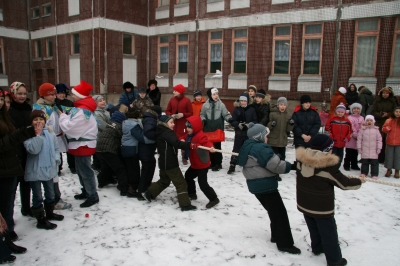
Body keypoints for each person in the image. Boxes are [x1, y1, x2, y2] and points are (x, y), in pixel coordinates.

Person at [295, 134, 365, 266]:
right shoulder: (328, 166)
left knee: (313, 226)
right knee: (329, 234)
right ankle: (335, 260)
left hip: (305, 203)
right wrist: (359, 181)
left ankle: (317, 248)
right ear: (327, 150)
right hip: (322, 208)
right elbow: (344, 183)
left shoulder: (301, 159)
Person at [238, 122, 301, 255]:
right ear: (259, 137)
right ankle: (285, 244)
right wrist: (293, 166)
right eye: (266, 135)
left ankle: (276, 235)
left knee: (274, 211)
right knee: (280, 214)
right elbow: (276, 166)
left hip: (255, 185)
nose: (267, 138)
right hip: (265, 184)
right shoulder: (261, 148)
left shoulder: (248, 145)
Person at [0, 87, 36, 260]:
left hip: (10, 167)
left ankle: (7, 240)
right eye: (1, 101)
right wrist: (19, 135)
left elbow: (12, 137)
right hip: (2, 168)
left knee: (7, 207)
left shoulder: (4, 117)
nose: (2, 104)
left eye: (3, 100)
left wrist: (28, 131)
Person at [142, 115, 198, 211]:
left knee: (164, 181)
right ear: (165, 123)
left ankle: (149, 193)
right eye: (171, 122)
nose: (173, 124)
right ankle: (185, 205)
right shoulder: (167, 132)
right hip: (170, 163)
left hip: (163, 162)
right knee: (181, 184)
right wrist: (190, 145)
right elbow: (177, 143)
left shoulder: (160, 131)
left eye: (173, 122)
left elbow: (173, 143)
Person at [58, 80, 100, 208]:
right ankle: (86, 191)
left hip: (82, 145)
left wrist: (62, 116)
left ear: (80, 96)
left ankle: (92, 195)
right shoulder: (82, 109)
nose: (72, 96)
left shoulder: (82, 111)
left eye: (74, 94)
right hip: (80, 144)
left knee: (85, 171)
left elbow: (70, 127)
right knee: (81, 170)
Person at [24, 110, 64, 230]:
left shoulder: (50, 133)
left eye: (41, 119)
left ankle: (50, 213)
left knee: (50, 194)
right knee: (38, 196)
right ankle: (40, 219)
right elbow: (33, 150)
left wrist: (57, 159)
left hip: (49, 169)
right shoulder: (28, 133)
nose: (39, 122)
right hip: (36, 170)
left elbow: (56, 149)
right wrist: (37, 135)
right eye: (35, 120)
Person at [33, 83, 71, 210]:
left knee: (54, 171)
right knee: (51, 173)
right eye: (52, 94)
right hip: (46, 145)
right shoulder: (40, 109)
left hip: (55, 141)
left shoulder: (52, 106)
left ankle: (55, 197)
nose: (55, 96)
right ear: (45, 95)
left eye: (55, 93)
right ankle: (54, 199)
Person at [7, 82, 33, 221]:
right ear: (13, 94)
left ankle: (26, 207)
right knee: (12, 187)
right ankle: (9, 219)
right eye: (19, 93)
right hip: (15, 151)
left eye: (24, 93)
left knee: (26, 181)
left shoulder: (29, 108)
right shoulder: (9, 110)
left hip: (28, 150)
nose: (22, 96)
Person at [181, 116, 219, 209]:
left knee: (202, 183)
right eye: (187, 127)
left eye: (189, 127)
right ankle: (192, 193)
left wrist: (211, 148)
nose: (187, 129)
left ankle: (214, 198)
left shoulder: (201, 136)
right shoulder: (189, 135)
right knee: (188, 176)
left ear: (196, 127)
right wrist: (181, 140)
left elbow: (207, 142)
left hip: (202, 164)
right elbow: (182, 137)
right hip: (194, 164)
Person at [96, 103, 129, 195]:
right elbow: (122, 138)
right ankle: (123, 188)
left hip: (99, 148)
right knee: (120, 169)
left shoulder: (109, 124)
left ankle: (102, 182)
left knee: (106, 167)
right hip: (109, 150)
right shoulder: (119, 127)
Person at [130, 106, 161, 200]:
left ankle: (145, 187)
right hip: (146, 150)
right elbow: (149, 133)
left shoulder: (148, 118)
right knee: (146, 170)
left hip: (147, 149)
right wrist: (159, 134)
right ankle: (142, 191)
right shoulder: (150, 120)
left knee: (150, 167)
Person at [200, 87, 232, 171]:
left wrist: (229, 119)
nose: (216, 96)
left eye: (217, 94)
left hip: (217, 129)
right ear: (210, 95)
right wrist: (203, 120)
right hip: (208, 129)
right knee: (209, 147)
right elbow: (202, 114)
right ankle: (212, 163)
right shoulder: (205, 105)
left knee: (217, 147)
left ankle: (218, 163)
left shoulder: (221, 105)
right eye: (214, 94)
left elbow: (226, 114)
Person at [228, 93, 257, 174]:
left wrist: (249, 125)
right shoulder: (237, 109)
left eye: (244, 101)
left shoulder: (252, 109)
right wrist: (237, 124)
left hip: (248, 133)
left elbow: (255, 120)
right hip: (239, 133)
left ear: (247, 101)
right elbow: (232, 120)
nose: (243, 102)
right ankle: (232, 164)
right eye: (241, 101)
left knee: (248, 149)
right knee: (236, 149)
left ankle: (249, 165)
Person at [165, 84, 193, 165]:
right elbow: (167, 110)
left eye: (175, 91)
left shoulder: (187, 100)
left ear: (180, 92)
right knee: (173, 140)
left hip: (182, 124)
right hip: (173, 124)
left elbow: (191, 113)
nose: (173, 92)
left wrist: (183, 115)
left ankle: (184, 157)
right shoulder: (172, 100)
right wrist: (171, 115)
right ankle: (174, 157)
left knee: (182, 140)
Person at [370, 87, 397, 164]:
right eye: (384, 93)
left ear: (389, 94)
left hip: (389, 122)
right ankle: (377, 157)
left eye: (387, 93)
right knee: (378, 139)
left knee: (386, 141)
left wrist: (388, 114)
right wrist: (380, 115)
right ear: (381, 94)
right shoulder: (377, 101)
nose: (385, 95)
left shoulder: (393, 102)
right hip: (379, 122)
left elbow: (396, 111)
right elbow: (373, 111)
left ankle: (385, 157)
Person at [55, 83, 76, 176]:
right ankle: (58, 167)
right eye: (59, 93)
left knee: (70, 147)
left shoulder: (69, 103)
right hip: (57, 128)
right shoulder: (53, 103)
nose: (61, 95)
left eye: (63, 93)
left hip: (68, 128)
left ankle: (72, 166)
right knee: (57, 148)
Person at [120, 108, 142, 198]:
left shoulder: (125, 123)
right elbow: (140, 136)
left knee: (127, 168)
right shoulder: (135, 125)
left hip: (124, 147)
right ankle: (132, 189)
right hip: (132, 149)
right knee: (134, 169)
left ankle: (125, 186)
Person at [267, 97, 294, 161]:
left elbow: (288, 130)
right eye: (281, 105)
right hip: (273, 141)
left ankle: (281, 170)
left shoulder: (288, 115)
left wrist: (291, 124)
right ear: (278, 105)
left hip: (282, 141)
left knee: (282, 158)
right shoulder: (272, 114)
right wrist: (271, 124)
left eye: (284, 105)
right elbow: (268, 127)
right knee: (273, 158)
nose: (283, 107)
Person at [357, 115, 382, 180]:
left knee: (374, 163)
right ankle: (364, 172)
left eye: (371, 120)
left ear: (373, 122)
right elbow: (359, 139)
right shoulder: (362, 130)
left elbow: (379, 140)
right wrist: (359, 148)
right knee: (364, 162)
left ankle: (374, 174)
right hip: (365, 149)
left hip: (374, 150)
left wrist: (379, 148)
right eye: (367, 120)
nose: (369, 122)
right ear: (365, 122)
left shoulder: (376, 130)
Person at [92, 94, 111, 171]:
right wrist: (112, 129)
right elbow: (103, 126)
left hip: (106, 137)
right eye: (100, 101)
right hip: (99, 137)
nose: (103, 102)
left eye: (103, 100)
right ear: (95, 103)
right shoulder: (96, 114)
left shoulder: (105, 112)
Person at [343, 103, 364, 171]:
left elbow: (363, 127)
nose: (356, 110)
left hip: (358, 138)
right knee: (349, 152)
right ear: (352, 110)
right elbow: (351, 127)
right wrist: (355, 134)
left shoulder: (362, 118)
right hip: (351, 138)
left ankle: (354, 164)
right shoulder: (350, 118)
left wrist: (360, 135)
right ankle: (346, 165)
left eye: (358, 109)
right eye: (354, 108)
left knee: (355, 153)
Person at [382, 106, 400, 178]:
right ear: (394, 112)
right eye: (396, 112)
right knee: (389, 156)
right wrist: (387, 129)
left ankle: (397, 170)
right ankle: (389, 169)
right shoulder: (389, 120)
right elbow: (383, 128)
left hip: (399, 143)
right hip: (390, 141)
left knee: (398, 157)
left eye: (399, 112)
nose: (398, 113)